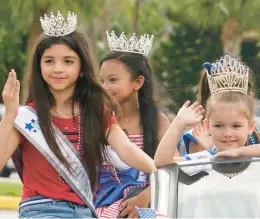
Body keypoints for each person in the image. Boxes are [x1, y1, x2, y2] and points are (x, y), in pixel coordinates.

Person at [0, 11, 155, 218]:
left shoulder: (95, 111)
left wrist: (157, 171)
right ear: (39, 66)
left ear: (81, 67)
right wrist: (10, 115)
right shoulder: (28, 117)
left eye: (68, 61)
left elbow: (125, 148)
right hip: (41, 209)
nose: (57, 69)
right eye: (49, 61)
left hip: (84, 211)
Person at [94, 31, 174, 218]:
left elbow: (170, 166)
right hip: (103, 204)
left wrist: (147, 194)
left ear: (137, 82)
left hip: (147, 203)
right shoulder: (96, 121)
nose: (105, 87)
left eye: (113, 80)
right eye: (102, 80)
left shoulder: (157, 121)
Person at [154, 54, 257, 168]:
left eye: (236, 126)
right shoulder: (205, 158)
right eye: (219, 125)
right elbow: (161, 162)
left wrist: (238, 153)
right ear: (207, 125)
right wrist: (178, 122)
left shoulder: (255, 158)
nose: (228, 133)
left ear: (251, 126)